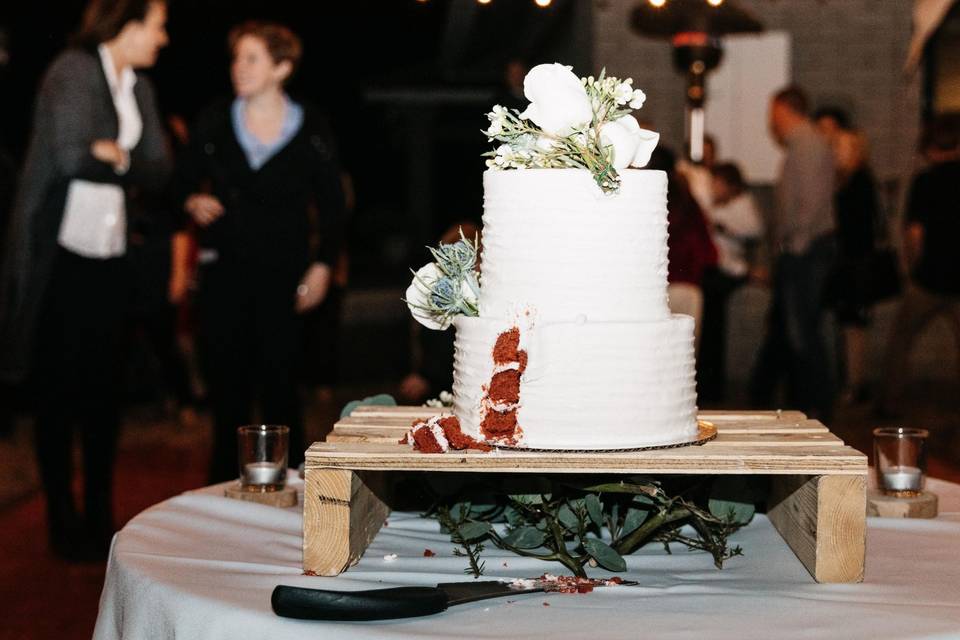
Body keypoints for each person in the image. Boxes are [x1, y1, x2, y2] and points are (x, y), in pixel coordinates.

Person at [0, 0, 170, 559]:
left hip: (111, 256)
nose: (163, 38)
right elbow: (73, 156)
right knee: (58, 395)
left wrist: (117, 157)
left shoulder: (137, 85)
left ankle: (99, 514)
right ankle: (61, 519)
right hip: (61, 257)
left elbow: (160, 166)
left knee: (102, 395)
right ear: (128, 22)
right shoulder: (71, 70)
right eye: (158, 24)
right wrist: (125, 160)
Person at [178, 21, 345, 483]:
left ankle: (285, 507)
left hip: (283, 281)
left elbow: (333, 206)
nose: (238, 68)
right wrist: (191, 199)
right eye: (236, 59)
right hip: (223, 278)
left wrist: (323, 265)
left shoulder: (311, 125)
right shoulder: (214, 118)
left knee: (282, 393)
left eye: (251, 59)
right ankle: (220, 502)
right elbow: (179, 183)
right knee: (227, 398)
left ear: (282, 67)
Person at [749, 86, 836, 421]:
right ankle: (796, 400)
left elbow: (810, 205)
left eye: (773, 113)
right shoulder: (804, 143)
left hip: (806, 251)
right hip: (803, 250)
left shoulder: (808, 144)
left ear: (785, 109)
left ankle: (817, 407)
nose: (771, 121)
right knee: (791, 329)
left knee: (802, 332)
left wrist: (793, 243)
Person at [876, 117, 960, 417]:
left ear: (930, 147)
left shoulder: (926, 182)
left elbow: (915, 234)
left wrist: (911, 268)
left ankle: (889, 404)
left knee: (901, 341)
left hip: (930, 277)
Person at [814, 108, 880, 404]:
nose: (834, 150)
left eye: (840, 146)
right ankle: (851, 383)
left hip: (857, 262)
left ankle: (855, 385)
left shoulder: (860, 180)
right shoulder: (844, 179)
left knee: (854, 328)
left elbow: (857, 225)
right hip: (848, 261)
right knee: (847, 326)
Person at [697, 162, 763, 404]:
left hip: (729, 271)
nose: (713, 188)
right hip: (724, 269)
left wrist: (721, 225)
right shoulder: (715, 207)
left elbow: (752, 230)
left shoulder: (742, 206)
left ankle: (711, 387)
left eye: (717, 183)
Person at [649, 146, 718, 344]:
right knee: (683, 362)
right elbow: (708, 249)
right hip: (688, 287)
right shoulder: (687, 199)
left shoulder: (646, 201)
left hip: (654, 289)